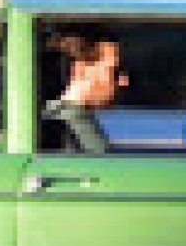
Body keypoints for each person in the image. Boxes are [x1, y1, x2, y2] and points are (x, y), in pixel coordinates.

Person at [40, 25, 126, 153]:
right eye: (114, 71)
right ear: (82, 69)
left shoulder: (52, 119)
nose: (123, 82)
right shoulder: (73, 124)